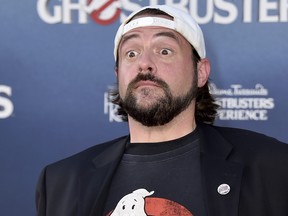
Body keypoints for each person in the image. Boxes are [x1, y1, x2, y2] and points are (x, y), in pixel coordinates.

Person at [35, 5, 288, 216]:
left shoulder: (272, 166)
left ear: (201, 72)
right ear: (118, 75)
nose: (144, 63)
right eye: (131, 53)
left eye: (164, 51)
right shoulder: (62, 181)